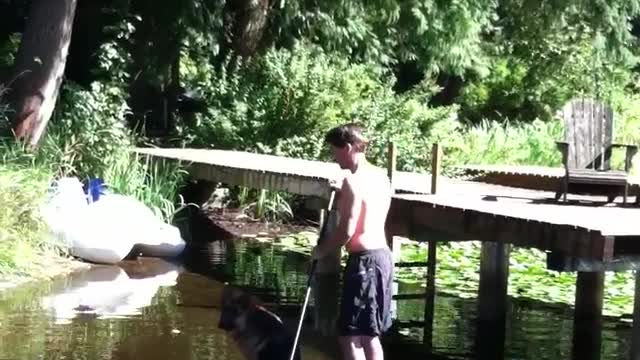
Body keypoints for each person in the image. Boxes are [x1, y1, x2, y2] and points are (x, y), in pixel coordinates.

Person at [311, 122, 394, 360]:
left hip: (365, 263)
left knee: (350, 335)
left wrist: (320, 251)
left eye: (334, 151)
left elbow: (346, 231)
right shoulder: (380, 176)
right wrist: (342, 194)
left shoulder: (352, 182)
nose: (333, 156)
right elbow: (368, 208)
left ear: (347, 148)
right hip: (383, 258)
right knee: (369, 332)